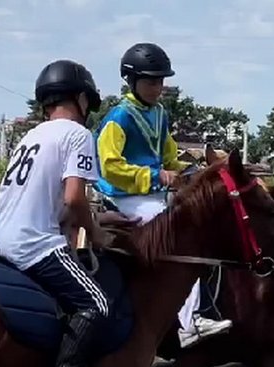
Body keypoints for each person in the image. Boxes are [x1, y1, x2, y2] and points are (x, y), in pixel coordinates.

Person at [0, 59, 111, 367]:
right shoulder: (77, 134)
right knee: (96, 303)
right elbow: (74, 200)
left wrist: (96, 218)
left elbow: (53, 199)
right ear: (80, 98)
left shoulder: (33, 135)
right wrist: (98, 234)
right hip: (33, 243)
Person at [94, 42, 232, 349]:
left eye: (161, 81)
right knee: (178, 233)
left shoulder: (159, 114)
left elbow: (169, 157)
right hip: (123, 196)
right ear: (131, 81)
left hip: (152, 195)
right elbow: (110, 166)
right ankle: (188, 323)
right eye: (151, 81)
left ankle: (205, 307)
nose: (158, 87)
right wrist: (156, 176)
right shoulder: (118, 118)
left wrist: (190, 173)